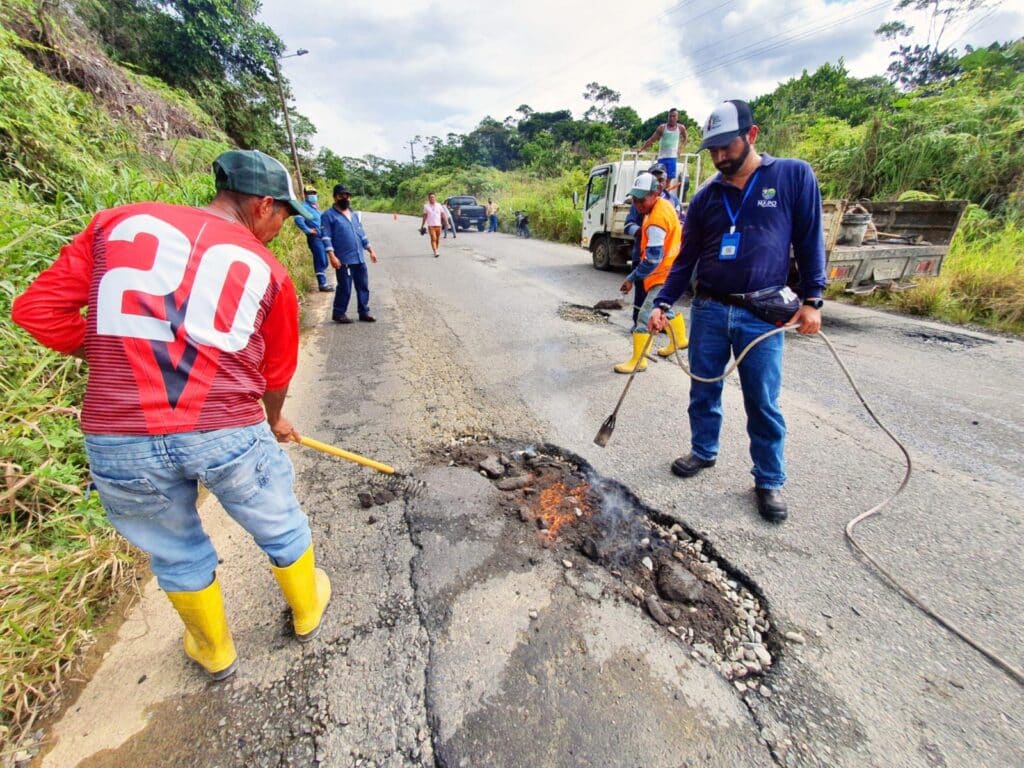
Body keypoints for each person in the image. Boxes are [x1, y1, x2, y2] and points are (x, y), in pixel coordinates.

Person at [11, 149, 333, 681]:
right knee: (277, 515)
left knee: (173, 545)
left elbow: (36, 311)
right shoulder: (266, 267)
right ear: (262, 205)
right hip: (226, 426)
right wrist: (273, 419)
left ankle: (214, 649)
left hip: (121, 433)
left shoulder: (117, 224)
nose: (283, 228)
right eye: (284, 216)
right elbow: (276, 373)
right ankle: (306, 609)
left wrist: (117, 347)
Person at [647, 100, 826, 523]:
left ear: (752, 135)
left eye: (726, 147)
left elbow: (810, 238)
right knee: (703, 389)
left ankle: (768, 479)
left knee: (762, 401)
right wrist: (662, 302)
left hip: (761, 315)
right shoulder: (708, 196)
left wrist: (814, 299)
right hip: (708, 309)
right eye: (712, 150)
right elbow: (685, 259)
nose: (719, 157)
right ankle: (703, 451)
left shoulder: (791, 176)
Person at [613, 172, 684, 374]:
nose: (637, 204)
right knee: (665, 310)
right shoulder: (662, 206)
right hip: (670, 269)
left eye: (641, 199)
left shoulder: (656, 221)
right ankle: (680, 340)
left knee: (645, 315)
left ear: (655, 193)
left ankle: (639, 360)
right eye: (634, 199)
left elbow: (652, 259)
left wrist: (631, 278)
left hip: (663, 273)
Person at [320, 184, 379, 323]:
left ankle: (364, 312)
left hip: (359, 258)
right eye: (341, 195)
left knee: (363, 286)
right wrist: (332, 256)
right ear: (335, 197)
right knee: (345, 288)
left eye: (347, 195)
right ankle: (339, 313)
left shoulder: (353, 214)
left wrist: (371, 250)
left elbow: (361, 234)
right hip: (343, 259)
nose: (344, 198)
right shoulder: (328, 216)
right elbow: (326, 237)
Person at [293, 186, 333, 292]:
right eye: (310, 193)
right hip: (314, 237)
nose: (313, 195)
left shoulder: (315, 207)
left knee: (323, 259)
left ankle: (323, 282)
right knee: (321, 259)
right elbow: (298, 219)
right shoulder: (303, 207)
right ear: (305, 195)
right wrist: (308, 230)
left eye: (314, 193)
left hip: (322, 237)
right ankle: (322, 284)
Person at [639, 108, 688, 183]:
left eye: (674, 116)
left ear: (677, 118)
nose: (671, 118)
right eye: (670, 116)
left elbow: (685, 138)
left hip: (672, 158)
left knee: (669, 180)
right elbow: (652, 139)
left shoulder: (681, 128)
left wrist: (680, 148)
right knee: (659, 179)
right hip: (662, 158)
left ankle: (665, 194)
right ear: (668, 117)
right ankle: (659, 194)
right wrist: (641, 149)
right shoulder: (662, 128)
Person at [420, 192, 448, 257]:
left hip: (439, 225)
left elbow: (443, 214)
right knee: (433, 238)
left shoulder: (439, 205)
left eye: (433, 197)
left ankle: (436, 250)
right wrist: (422, 225)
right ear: (428, 198)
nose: (432, 198)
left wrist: (447, 222)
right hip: (431, 226)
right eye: (430, 197)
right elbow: (424, 216)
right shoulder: (426, 206)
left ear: (435, 198)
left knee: (437, 239)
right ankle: (435, 251)